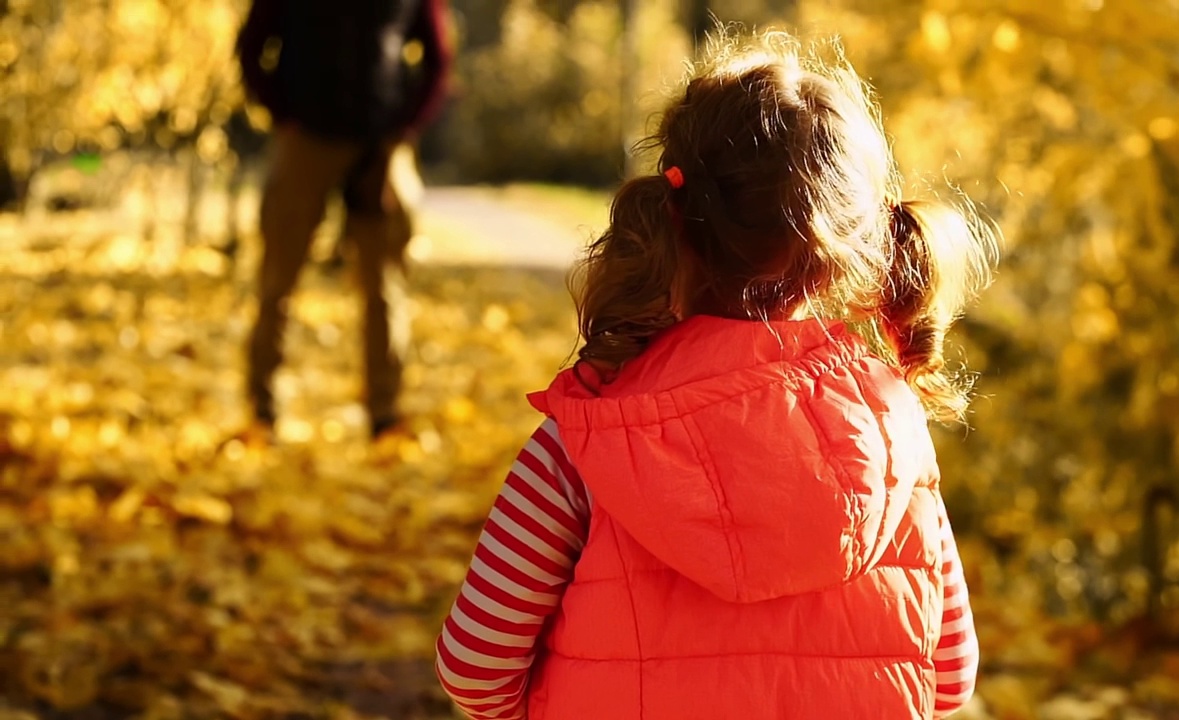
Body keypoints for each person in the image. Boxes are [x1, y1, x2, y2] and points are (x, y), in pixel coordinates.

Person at [435, 30, 994, 720]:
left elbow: (475, 666)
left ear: (673, 213)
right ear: (847, 249)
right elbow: (947, 680)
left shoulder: (585, 442)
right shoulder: (894, 438)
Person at [234, 0, 450, 441]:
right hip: (306, 140)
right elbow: (251, 47)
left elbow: (437, 59)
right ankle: (262, 407)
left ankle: (385, 413)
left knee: (385, 284)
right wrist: (283, 116)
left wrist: (406, 129)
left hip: (382, 145)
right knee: (278, 278)